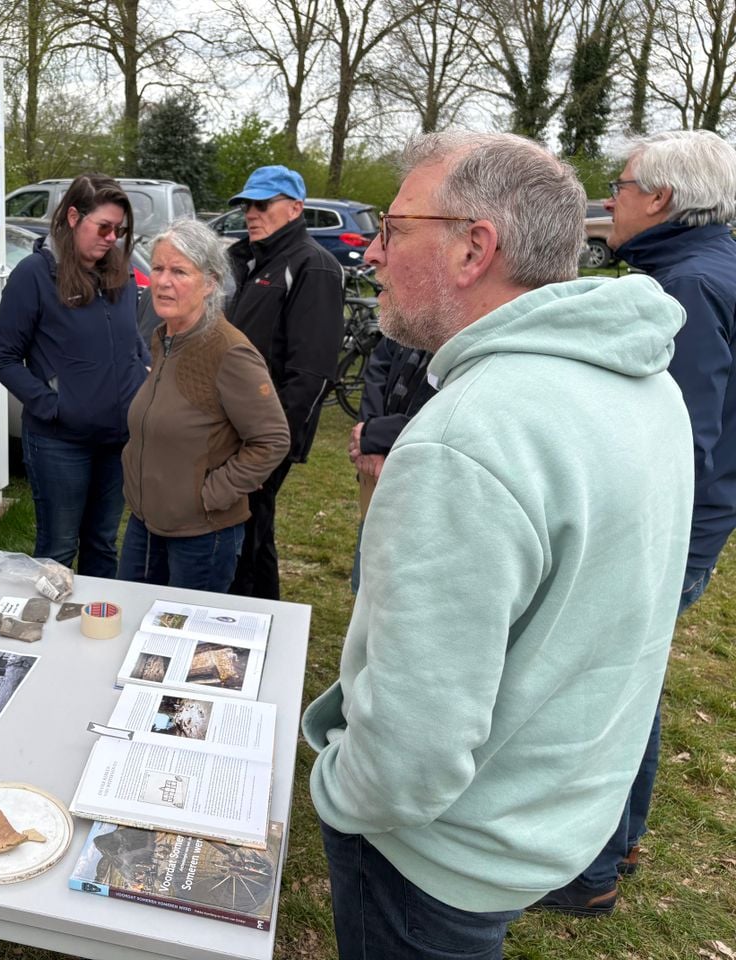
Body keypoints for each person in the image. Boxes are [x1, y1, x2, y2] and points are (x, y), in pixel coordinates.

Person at [301, 132, 693, 959]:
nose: (371, 252)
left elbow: (412, 747)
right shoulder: (644, 381)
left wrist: (336, 791)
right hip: (548, 816)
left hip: (441, 856)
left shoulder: (470, 438)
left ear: (474, 247)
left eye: (394, 228)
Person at [539, 129, 736, 915]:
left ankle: (590, 869)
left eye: (619, 186)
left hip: (663, 532)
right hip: (694, 523)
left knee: (607, 691)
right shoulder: (705, 268)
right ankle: (612, 848)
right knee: (632, 682)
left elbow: (676, 438)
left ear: (660, 198)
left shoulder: (684, 289)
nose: (607, 201)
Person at [0, 174, 149, 576]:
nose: (113, 238)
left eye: (121, 230)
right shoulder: (34, 275)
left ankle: (97, 632)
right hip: (60, 443)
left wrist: (143, 377)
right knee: (58, 551)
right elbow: (3, 357)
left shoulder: (123, 275)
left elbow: (132, 340)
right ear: (74, 217)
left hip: (117, 441)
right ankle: (49, 635)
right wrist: (55, 405)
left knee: (102, 544)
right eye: (104, 227)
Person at [118, 219, 289, 591]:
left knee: (185, 639)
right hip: (146, 522)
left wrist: (210, 494)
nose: (163, 281)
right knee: (132, 625)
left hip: (201, 535)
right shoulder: (164, 337)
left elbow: (272, 439)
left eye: (179, 271)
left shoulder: (229, 351)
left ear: (210, 283)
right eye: (159, 268)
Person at [223, 165, 343, 600]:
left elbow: (310, 374)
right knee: (246, 533)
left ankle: (252, 632)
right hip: (231, 428)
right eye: (245, 205)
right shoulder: (247, 260)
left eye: (262, 204)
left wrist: (271, 450)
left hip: (265, 435)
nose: (251, 214)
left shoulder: (314, 267)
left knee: (249, 537)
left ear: (296, 208)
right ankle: (248, 626)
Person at [347, 336, 436, 593]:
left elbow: (452, 410)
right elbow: (381, 363)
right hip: (380, 475)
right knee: (365, 584)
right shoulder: (414, 319)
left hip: (426, 486)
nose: (382, 296)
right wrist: (369, 440)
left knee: (405, 593)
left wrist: (375, 434)